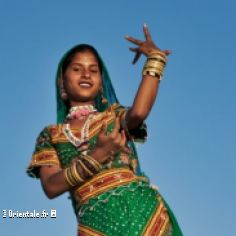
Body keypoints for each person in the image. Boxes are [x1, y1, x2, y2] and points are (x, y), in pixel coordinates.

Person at [27, 25, 183, 236]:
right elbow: (51, 187)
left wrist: (155, 59)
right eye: (77, 69)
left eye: (93, 70)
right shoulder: (51, 135)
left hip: (143, 216)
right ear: (62, 82)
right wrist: (98, 155)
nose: (86, 74)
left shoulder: (113, 116)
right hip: (95, 225)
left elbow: (138, 113)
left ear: (101, 83)